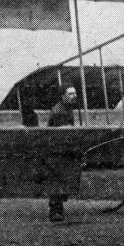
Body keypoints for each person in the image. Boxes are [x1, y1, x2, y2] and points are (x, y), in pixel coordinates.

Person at [46, 85, 77, 222]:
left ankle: (57, 208)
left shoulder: (66, 108)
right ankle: (55, 210)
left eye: (74, 93)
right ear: (63, 96)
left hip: (62, 149)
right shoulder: (59, 111)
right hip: (56, 150)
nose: (74, 96)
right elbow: (63, 131)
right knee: (57, 178)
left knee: (61, 178)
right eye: (70, 94)